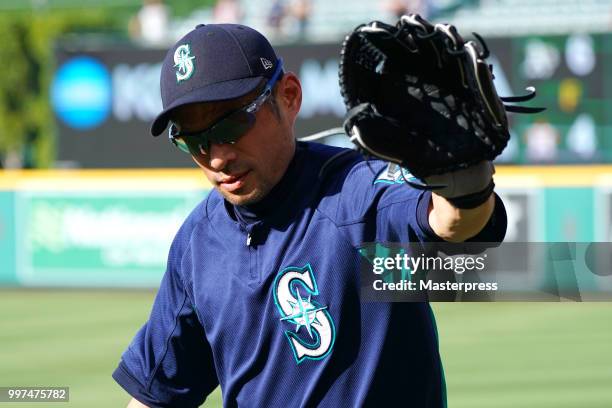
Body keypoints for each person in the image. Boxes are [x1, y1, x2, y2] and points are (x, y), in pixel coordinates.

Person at [113, 23, 507, 407]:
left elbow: (453, 224)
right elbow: (158, 395)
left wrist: (463, 180)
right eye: (193, 141)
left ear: (288, 96)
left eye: (232, 124)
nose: (216, 157)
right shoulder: (197, 245)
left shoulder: (356, 196)